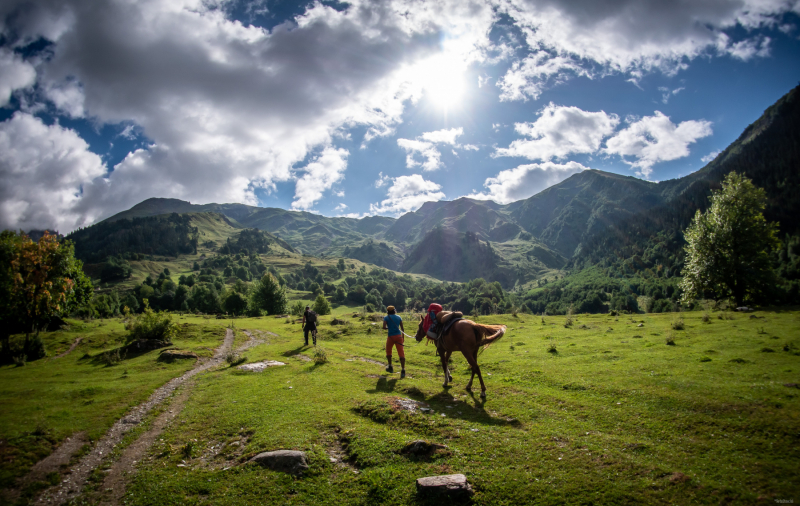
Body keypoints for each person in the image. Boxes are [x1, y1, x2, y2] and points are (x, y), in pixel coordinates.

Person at [383, 305, 406, 378]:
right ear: (394, 311)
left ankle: (390, 367)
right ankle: (403, 370)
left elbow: (384, 327)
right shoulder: (399, 317)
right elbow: (402, 329)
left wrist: (389, 327)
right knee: (401, 352)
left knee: (388, 351)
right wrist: (403, 337)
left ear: (388, 311)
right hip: (399, 337)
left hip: (391, 337)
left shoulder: (386, 317)